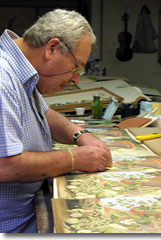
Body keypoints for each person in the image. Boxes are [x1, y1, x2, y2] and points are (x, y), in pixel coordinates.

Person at [0, 9, 112, 233]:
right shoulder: (3, 79)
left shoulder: (22, 71)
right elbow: (5, 165)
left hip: (32, 208)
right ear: (52, 48)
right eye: (76, 66)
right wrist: (74, 159)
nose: (77, 78)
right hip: (13, 228)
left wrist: (80, 135)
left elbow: (45, 114)